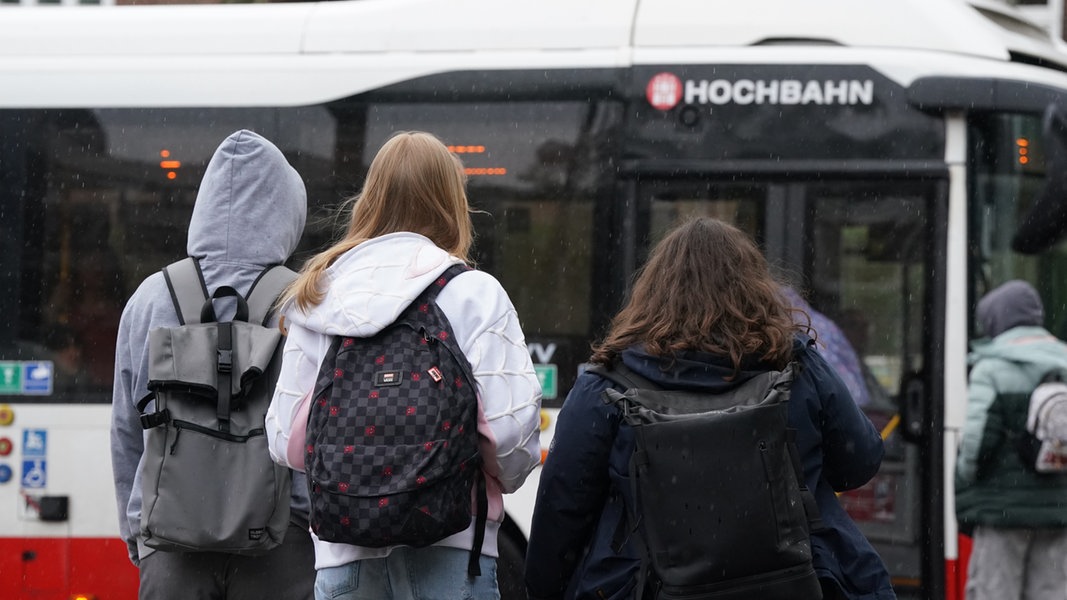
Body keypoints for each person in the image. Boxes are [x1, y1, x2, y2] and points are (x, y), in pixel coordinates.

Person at [524, 217, 896, 600]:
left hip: (644, 586)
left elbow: (561, 512)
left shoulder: (606, 385)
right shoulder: (797, 369)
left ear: (652, 291)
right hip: (798, 584)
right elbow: (860, 462)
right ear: (755, 288)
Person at [263, 130, 542, 600]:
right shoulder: (474, 293)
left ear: (370, 200)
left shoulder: (318, 295)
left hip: (343, 554)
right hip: (453, 549)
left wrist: (361, 477)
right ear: (451, 203)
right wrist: (494, 477)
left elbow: (284, 441)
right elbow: (508, 431)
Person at [110, 129, 316, 599]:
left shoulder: (149, 299)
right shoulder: (307, 302)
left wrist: (137, 533)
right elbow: (320, 430)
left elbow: (126, 429)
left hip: (171, 544)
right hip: (281, 541)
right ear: (285, 212)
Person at [955, 280, 1067, 600]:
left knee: (995, 590)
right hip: (1058, 507)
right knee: (1051, 591)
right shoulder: (1064, 360)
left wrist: (967, 479)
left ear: (997, 321)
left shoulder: (991, 368)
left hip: (1002, 509)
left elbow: (977, 444)